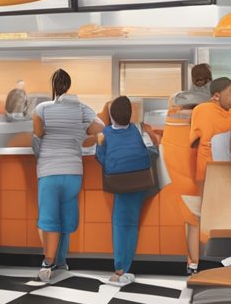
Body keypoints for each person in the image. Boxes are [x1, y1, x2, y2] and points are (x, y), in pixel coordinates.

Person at [32, 69, 102, 283]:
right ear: (69, 86)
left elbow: (37, 137)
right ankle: (61, 261)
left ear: (53, 87)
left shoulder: (41, 108)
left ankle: (47, 264)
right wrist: (81, 138)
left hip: (49, 170)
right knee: (65, 218)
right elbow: (101, 129)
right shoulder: (82, 109)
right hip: (73, 171)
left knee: (50, 220)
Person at [95, 96, 151, 287]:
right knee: (131, 224)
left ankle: (120, 271)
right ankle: (125, 267)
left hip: (122, 183)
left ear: (111, 116)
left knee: (120, 225)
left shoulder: (105, 133)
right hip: (141, 181)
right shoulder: (135, 129)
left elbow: (100, 157)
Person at [186, 77, 231, 275]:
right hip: (207, 171)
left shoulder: (229, 116)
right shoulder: (203, 110)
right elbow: (195, 141)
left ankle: (207, 262)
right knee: (201, 216)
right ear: (216, 96)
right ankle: (196, 263)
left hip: (223, 170)